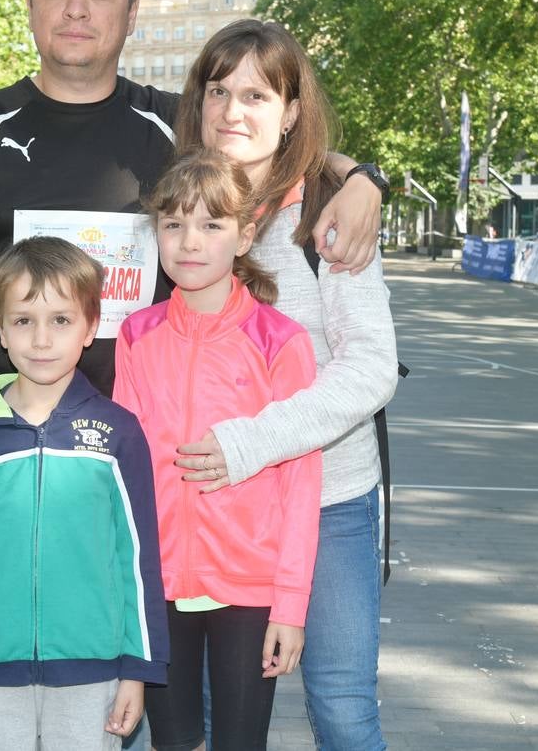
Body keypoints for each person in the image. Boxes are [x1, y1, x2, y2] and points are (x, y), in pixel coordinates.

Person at [0, 0, 385, 565]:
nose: (76, 10)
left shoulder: (172, 133)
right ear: (29, 3)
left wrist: (362, 180)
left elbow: (265, 144)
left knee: (116, 659)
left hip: (135, 466)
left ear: (131, 10)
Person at [169, 19, 399, 751]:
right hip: (215, 512)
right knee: (203, 713)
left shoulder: (328, 212)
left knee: (340, 707)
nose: (234, 111)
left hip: (328, 502)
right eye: (220, 90)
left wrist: (252, 442)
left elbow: (370, 369)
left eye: (258, 95)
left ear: (292, 111)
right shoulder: (183, 203)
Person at [0, 236, 168, 751]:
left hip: (92, 675)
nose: (41, 339)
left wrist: (138, 670)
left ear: (91, 327)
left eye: (60, 320)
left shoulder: (118, 433)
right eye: (24, 320)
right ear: (1, 329)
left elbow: (138, 561)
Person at [113, 151, 321, 751]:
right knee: (171, 743)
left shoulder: (281, 343)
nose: (189, 242)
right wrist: (124, 587)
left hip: (250, 589)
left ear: (245, 233)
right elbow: (123, 476)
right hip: (159, 584)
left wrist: (290, 605)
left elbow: (301, 483)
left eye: (211, 225)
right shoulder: (137, 335)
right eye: (173, 225)